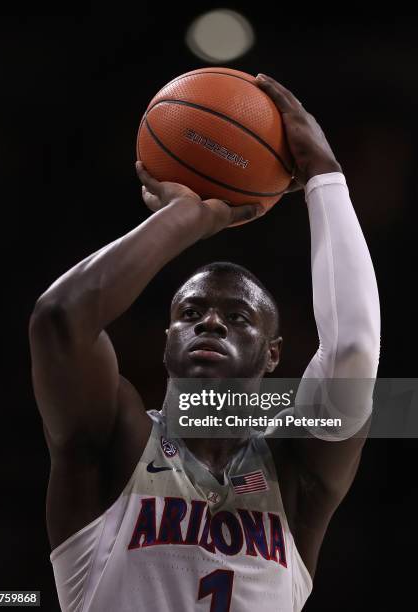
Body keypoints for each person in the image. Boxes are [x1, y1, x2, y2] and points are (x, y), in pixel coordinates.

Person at [29, 73, 380, 612]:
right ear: (168, 342)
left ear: (274, 353)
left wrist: (326, 179)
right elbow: (59, 319)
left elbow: (353, 351)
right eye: (190, 313)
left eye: (237, 317)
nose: (210, 323)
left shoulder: (293, 470)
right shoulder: (114, 442)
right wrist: (186, 218)